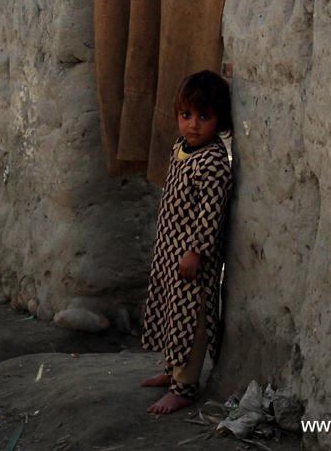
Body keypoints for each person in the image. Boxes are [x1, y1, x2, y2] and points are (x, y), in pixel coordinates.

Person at [140, 70, 233, 414]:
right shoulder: (181, 149)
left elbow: (211, 213)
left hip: (192, 260)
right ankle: (171, 371)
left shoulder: (212, 163)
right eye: (186, 115)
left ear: (220, 120)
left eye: (204, 117)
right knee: (170, 314)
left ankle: (184, 386)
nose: (193, 125)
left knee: (189, 320)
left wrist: (195, 251)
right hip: (171, 253)